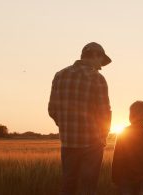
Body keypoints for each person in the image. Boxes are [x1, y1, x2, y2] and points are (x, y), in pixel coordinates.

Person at [48, 42, 112, 195]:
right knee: (88, 188)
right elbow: (105, 112)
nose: (100, 67)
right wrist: (103, 137)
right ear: (95, 55)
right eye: (101, 62)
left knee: (68, 185)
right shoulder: (97, 78)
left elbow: (52, 110)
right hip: (92, 143)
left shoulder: (59, 75)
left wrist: (65, 125)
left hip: (68, 142)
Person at [112, 101, 143, 195]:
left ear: (131, 115)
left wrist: (115, 178)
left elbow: (117, 157)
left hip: (125, 177)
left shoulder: (124, 133)